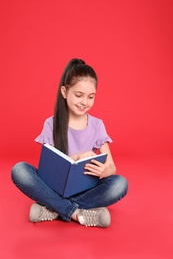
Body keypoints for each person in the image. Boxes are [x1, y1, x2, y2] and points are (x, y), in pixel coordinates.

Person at [11, 58, 128, 228]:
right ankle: (77, 213)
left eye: (91, 97)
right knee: (19, 170)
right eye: (79, 95)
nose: (84, 102)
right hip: (55, 187)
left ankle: (53, 208)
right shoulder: (51, 124)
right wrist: (77, 157)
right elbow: (47, 171)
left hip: (86, 188)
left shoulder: (97, 125)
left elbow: (112, 167)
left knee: (119, 184)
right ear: (64, 92)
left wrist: (105, 170)